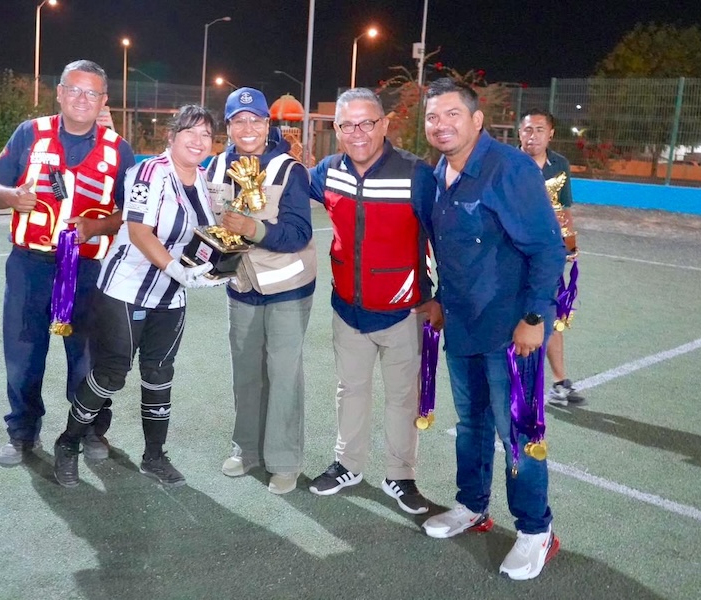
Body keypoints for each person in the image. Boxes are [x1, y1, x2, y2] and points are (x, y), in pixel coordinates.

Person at [416, 78, 566, 580]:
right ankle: (472, 505)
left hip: (511, 332)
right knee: (472, 425)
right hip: (463, 327)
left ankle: (536, 529)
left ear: (477, 120)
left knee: (517, 431)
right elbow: (451, 251)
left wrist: (535, 318)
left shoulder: (510, 168)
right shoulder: (439, 174)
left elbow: (548, 248)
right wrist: (440, 298)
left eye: (452, 114)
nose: (441, 125)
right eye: (433, 117)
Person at [51, 105, 216, 488]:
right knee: (111, 374)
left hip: (171, 296)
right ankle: (68, 443)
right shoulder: (149, 172)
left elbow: (208, 236)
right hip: (126, 289)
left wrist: (219, 266)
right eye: (190, 131)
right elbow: (140, 231)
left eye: (206, 134)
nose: (198, 140)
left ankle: (154, 457)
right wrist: (176, 268)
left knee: (159, 375)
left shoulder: (207, 181)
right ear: (171, 137)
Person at [0, 59, 135, 467]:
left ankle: (89, 429)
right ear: (60, 92)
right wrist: (11, 197)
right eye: (74, 89)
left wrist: (97, 225)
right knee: (22, 352)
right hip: (29, 265)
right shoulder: (30, 133)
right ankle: (22, 432)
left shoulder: (118, 149)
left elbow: (133, 211)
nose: (82, 99)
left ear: (103, 100)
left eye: (92, 92)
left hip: (86, 270)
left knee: (87, 357)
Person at [306, 88, 435, 514]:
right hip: (347, 309)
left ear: (384, 124)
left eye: (367, 122)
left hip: (404, 312)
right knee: (351, 391)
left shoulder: (417, 175)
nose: (357, 132)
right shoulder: (327, 171)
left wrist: (441, 298)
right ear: (337, 128)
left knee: (403, 397)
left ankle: (401, 474)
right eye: (347, 124)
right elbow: (285, 188)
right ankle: (347, 465)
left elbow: (445, 239)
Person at [206, 87, 316, 495]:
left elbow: (299, 233)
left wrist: (254, 229)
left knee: (283, 376)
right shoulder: (216, 166)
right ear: (228, 126)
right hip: (241, 285)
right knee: (246, 373)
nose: (247, 127)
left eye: (255, 120)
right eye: (239, 120)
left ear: (268, 124)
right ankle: (247, 449)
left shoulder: (289, 169)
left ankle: (284, 461)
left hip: (288, 287)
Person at [519, 109, 586, 407]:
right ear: (519, 133)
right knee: (517, 318)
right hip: (514, 254)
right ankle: (517, 388)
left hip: (548, 255)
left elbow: (563, 208)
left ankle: (560, 384)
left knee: (551, 315)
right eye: (527, 130)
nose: (532, 136)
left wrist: (570, 243)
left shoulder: (560, 165)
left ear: (551, 134)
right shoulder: (507, 163)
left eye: (539, 130)